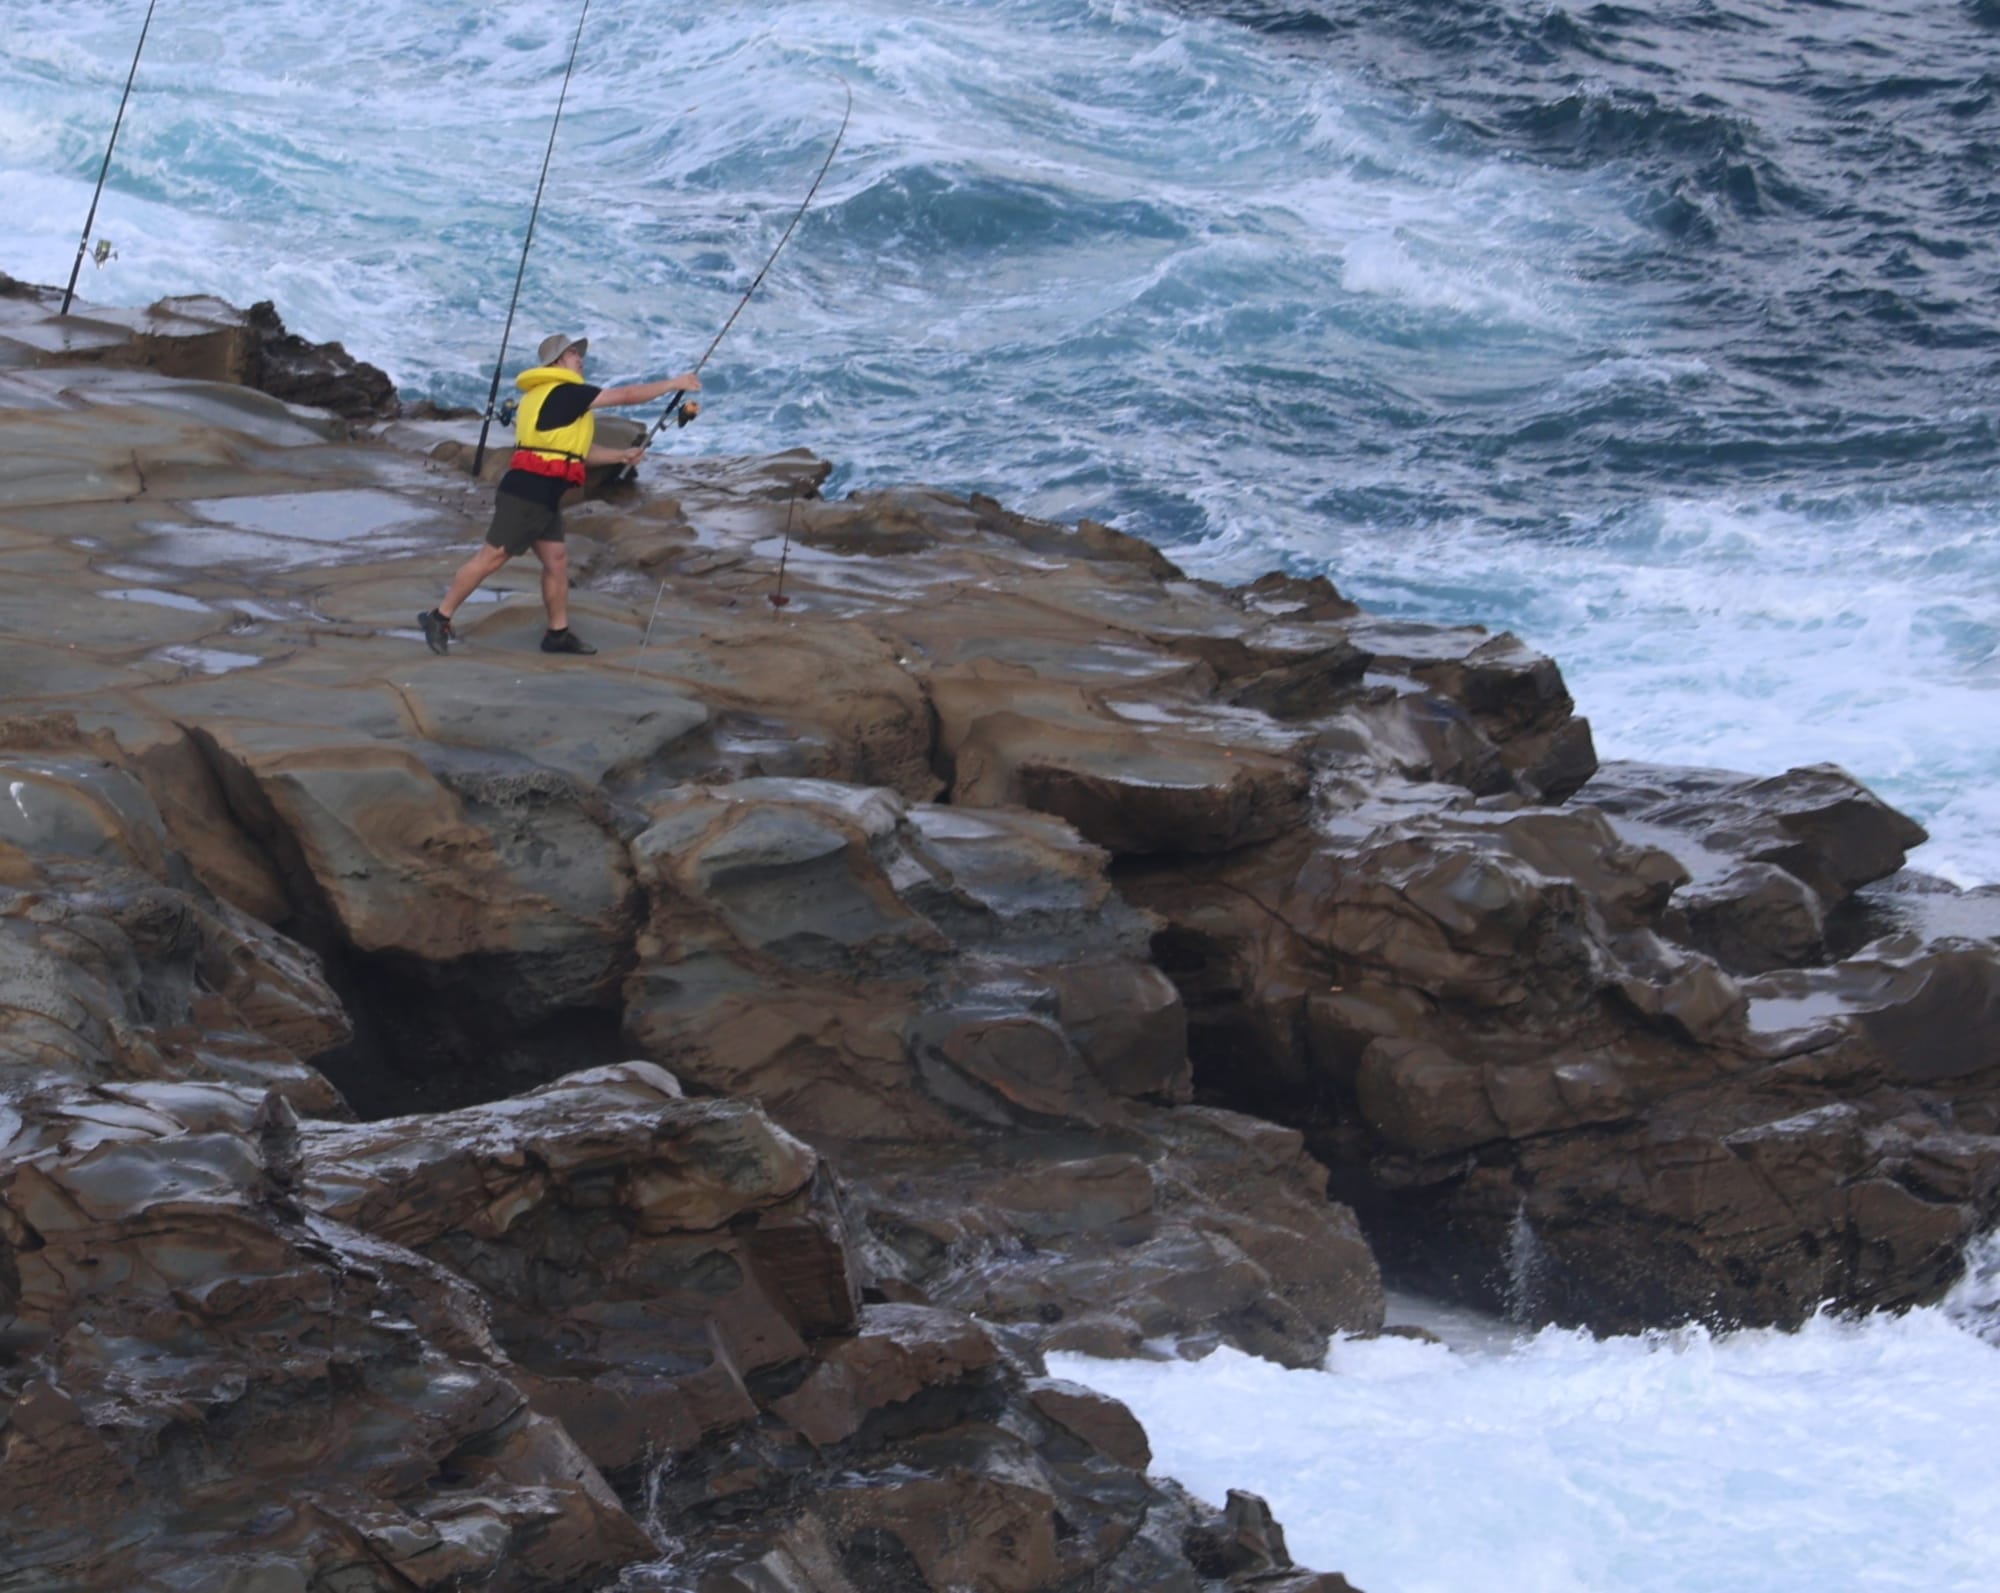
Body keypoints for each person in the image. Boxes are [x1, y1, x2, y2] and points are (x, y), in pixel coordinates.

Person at [419, 333, 698, 656]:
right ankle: (439, 617)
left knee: (557, 562)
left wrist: (620, 456)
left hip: (542, 495)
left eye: (579, 353)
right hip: (527, 494)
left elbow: (575, 451)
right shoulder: (565, 392)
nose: (580, 358)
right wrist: (673, 383)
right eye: (572, 353)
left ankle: (557, 634)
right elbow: (627, 394)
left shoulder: (546, 397)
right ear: (556, 362)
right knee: (491, 558)